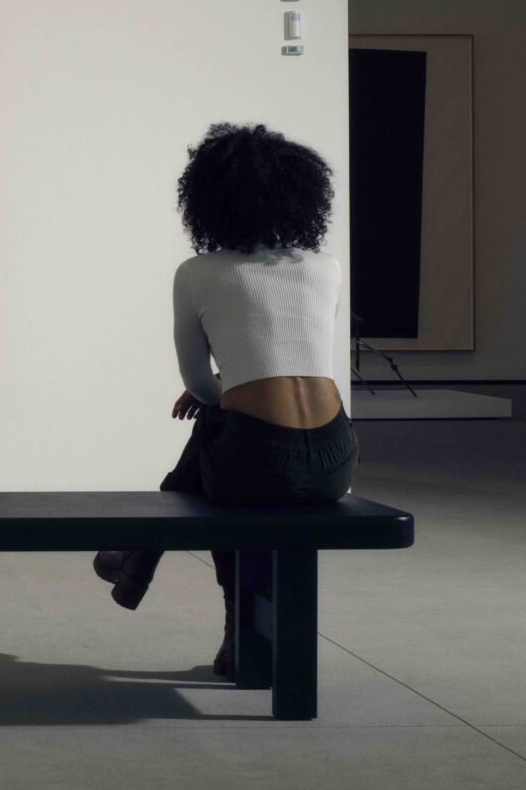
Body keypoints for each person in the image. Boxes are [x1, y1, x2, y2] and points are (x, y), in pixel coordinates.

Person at [93, 122, 357, 677]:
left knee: (217, 434)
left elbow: (196, 380)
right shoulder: (324, 268)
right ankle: (138, 555)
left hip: (260, 461)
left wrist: (215, 394)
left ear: (207, 201)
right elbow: (305, 363)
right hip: (337, 456)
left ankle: (151, 564)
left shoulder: (198, 273)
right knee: (220, 429)